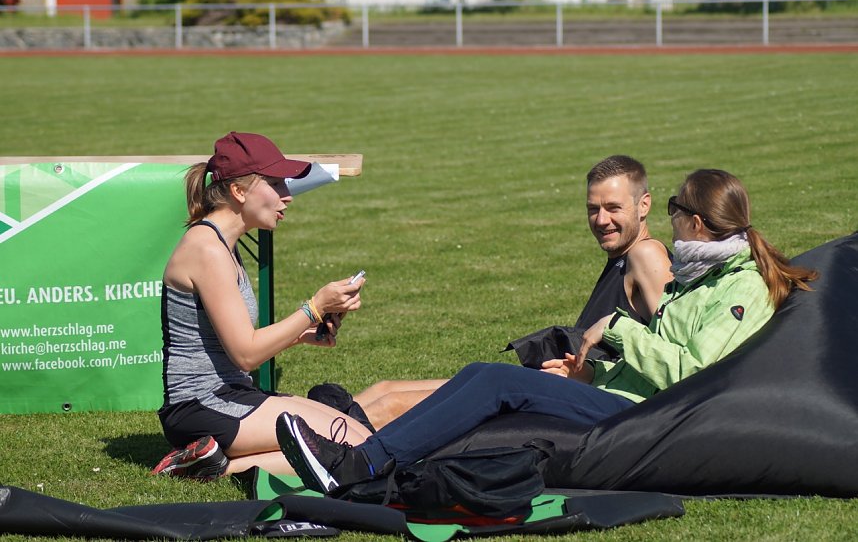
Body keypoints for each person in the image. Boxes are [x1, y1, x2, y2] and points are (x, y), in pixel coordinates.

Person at [277, 168, 818, 494]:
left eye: (675, 209)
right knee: (481, 376)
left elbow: (692, 371)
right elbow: (669, 353)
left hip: (646, 420)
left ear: (695, 222)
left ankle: (361, 463)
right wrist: (592, 367)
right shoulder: (708, 274)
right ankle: (359, 452)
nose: (672, 221)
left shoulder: (739, 289)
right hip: (619, 397)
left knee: (494, 383)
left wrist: (618, 331)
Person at [351, 155, 673, 429]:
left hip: (580, 401)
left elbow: (669, 354)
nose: (601, 220)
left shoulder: (645, 255)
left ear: (644, 205)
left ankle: (323, 450)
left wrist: (589, 377)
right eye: (593, 209)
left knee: (393, 406)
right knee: (387, 388)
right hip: (555, 384)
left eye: (613, 208)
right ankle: (311, 428)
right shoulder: (622, 257)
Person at [151, 131, 370, 480]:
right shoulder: (207, 249)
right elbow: (246, 355)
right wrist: (313, 307)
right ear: (239, 191)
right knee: (351, 447)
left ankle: (210, 459)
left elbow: (234, 343)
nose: (287, 197)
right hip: (199, 406)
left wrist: (303, 334)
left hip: (229, 394)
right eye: (276, 184)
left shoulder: (222, 243)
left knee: (359, 434)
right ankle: (209, 468)